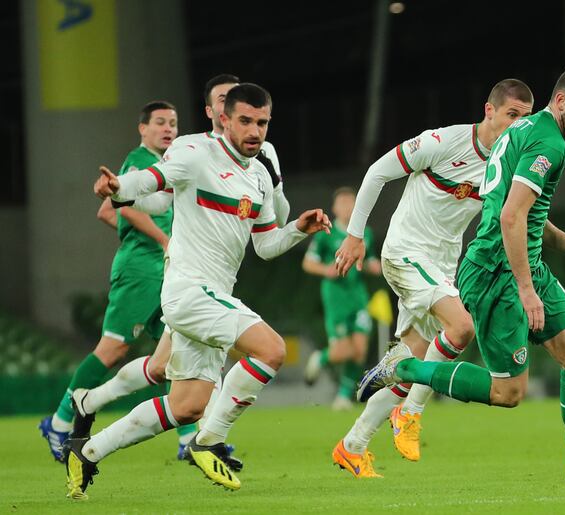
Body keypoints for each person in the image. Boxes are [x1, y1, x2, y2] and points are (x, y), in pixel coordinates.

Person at [358, 61, 565, 482]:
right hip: (496, 273)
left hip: (523, 262)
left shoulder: (520, 133)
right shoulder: (549, 145)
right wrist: (526, 290)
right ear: (561, 101)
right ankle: (406, 368)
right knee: (509, 393)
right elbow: (511, 218)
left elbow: (525, 215)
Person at [64, 83, 331, 499]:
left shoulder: (259, 175)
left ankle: (89, 451)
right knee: (272, 350)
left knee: (186, 405)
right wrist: (118, 189)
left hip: (212, 296)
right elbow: (153, 180)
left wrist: (298, 228)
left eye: (261, 123)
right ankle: (208, 441)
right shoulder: (194, 152)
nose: (254, 131)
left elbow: (265, 246)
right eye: (245, 120)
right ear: (223, 118)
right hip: (188, 290)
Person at [330, 79, 534, 477]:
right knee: (460, 328)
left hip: (441, 266)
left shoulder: (509, 164)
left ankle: (352, 445)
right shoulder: (443, 142)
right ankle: (411, 414)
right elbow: (376, 172)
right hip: (406, 252)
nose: (518, 126)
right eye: (512, 115)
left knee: (416, 364)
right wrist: (355, 235)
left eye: (525, 119)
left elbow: (524, 217)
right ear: (489, 111)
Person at [39, 101, 178, 463]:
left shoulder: (167, 165)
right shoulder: (139, 160)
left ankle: (191, 438)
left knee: (177, 346)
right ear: (142, 129)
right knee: (113, 348)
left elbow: (106, 211)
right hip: (141, 269)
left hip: (163, 268)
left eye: (173, 123)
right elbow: (123, 207)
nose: (168, 129)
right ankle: (59, 421)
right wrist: (161, 240)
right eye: (160, 122)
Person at [302, 187, 381, 411]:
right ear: (335, 208)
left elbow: (367, 259)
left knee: (359, 349)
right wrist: (326, 269)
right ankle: (321, 358)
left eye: (351, 203)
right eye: (343, 204)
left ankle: (344, 396)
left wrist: (373, 265)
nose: (347, 208)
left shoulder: (365, 234)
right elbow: (308, 263)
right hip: (335, 296)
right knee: (342, 351)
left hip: (357, 294)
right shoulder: (326, 234)